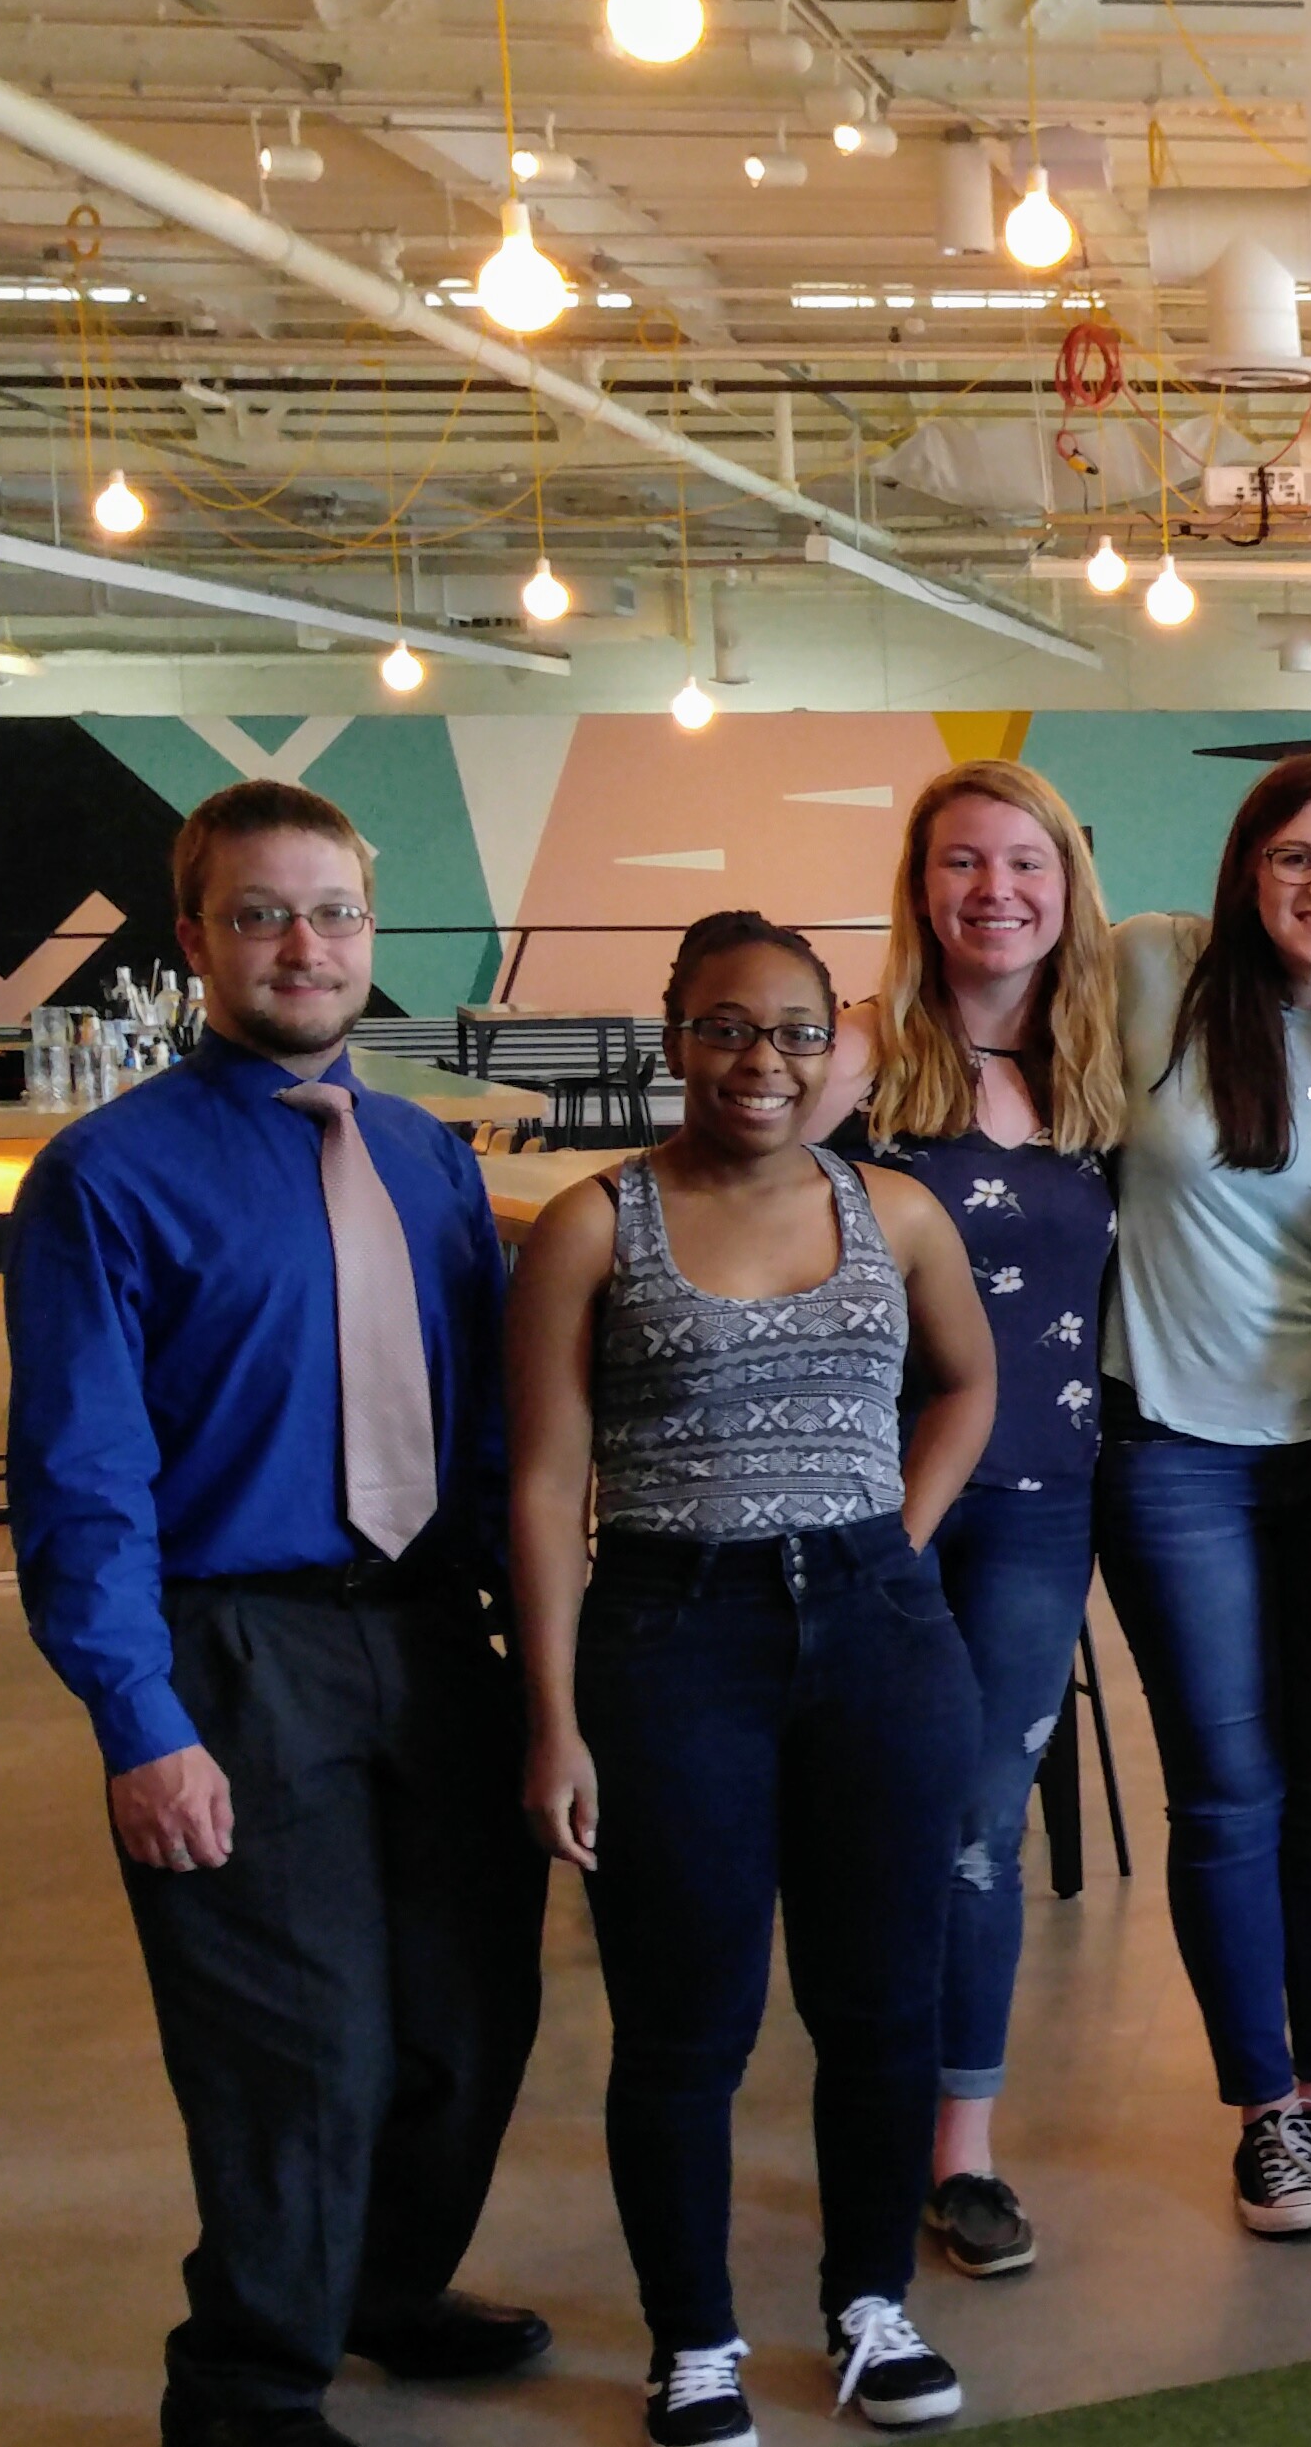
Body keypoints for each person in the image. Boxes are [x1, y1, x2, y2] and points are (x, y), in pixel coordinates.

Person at [7, 779, 552, 2447]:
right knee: (295, 2047)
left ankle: (384, 2283)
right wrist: (140, 1720)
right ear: (196, 939)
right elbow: (84, 1471)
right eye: (261, 915)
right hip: (235, 1646)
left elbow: (485, 1436)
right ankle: (247, 2386)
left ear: (369, 934)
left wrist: (547, 1667)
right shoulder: (105, 1178)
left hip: (435, 1634)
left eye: (332, 912)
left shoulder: (427, 1160)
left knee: (470, 2013)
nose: (303, 946)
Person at [508, 912, 999, 2446]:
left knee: (883, 2001)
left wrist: (896, 1541)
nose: (762, 1061)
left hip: (879, 1635)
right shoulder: (593, 1225)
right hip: (672, 1637)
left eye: (794, 1030)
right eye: (726, 1027)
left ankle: (870, 2304)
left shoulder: (897, 1211)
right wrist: (553, 1718)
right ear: (675, 1038)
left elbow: (970, 1383)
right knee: (686, 2021)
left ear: (829, 1045)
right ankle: (695, 2341)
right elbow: (544, 1483)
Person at [1099, 750, 1311, 2236]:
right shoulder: (1149, 968)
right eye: (1298, 856)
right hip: (1172, 1445)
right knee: (1228, 1788)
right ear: (1248, 869)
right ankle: (1263, 2116)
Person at [810, 761, 1120, 2282]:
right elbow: (736, 1189)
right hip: (874, 1503)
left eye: (1024, 863)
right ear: (919, 888)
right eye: (962, 863)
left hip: (1043, 1505)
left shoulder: (1100, 1067)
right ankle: (858, 2103)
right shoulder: (863, 1053)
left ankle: (961, 2151)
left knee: (980, 1828)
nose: (995, 891)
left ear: (1067, 888)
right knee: (859, 1819)